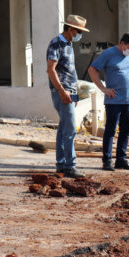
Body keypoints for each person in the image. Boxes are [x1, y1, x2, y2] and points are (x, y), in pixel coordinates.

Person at [46, 14, 89, 178]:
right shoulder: (56, 43)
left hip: (69, 92)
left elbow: (69, 71)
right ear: (70, 29)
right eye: (78, 31)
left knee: (64, 128)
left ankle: (61, 164)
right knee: (70, 129)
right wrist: (62, 91)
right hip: (62, 92)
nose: (80, 35)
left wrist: (74, 94)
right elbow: (51, 70)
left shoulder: (68, 44)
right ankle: (69, 165)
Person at [89, 33, 129, 172]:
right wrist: (103, 88)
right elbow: (92, 70)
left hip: (128, 100)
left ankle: (121, 159)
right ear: (122, 44)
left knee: (125, 130)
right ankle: (107, 160)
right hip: (114, 101)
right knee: (110, 130)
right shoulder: (108, 54)